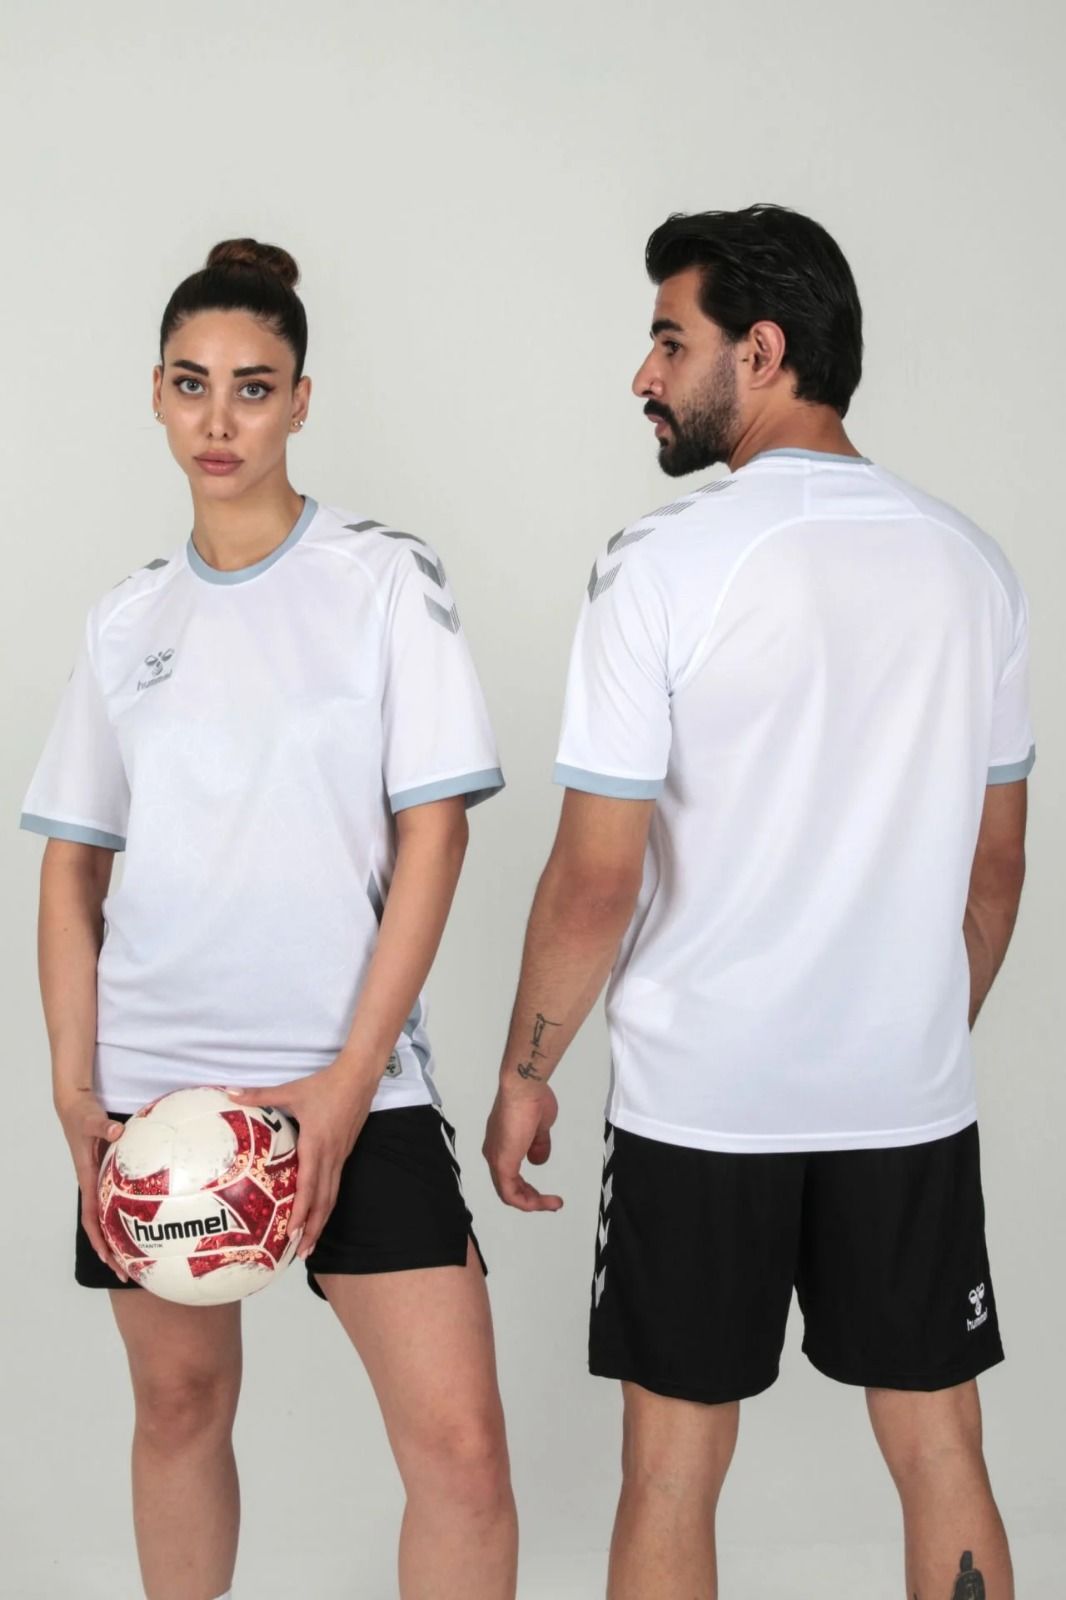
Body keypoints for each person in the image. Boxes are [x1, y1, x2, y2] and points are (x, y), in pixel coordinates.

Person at [483, 204, 1032, 1600]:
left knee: (672, 1470)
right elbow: (996, 867)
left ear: (764, 351)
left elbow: (595, 875)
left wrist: (526, 1069)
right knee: (940, 1446)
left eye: (671, 341)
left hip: (703, 1102)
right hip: (902, 1097)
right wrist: (909, 1022)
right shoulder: (972, 564)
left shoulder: (660, 561)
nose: (645, 374)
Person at [22, 238, 517, 1600]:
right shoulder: (127, 619)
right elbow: (71, 867)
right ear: (156, 395)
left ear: (301, 400)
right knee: (178, 1413)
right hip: (157, 1095)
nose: (220, 418)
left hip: (350, 1077)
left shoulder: (382, 577)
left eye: (253, 386)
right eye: (192, 384)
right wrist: (75, 1091)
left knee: (461, 1453)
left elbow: (436, 832)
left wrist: (351, 1085)